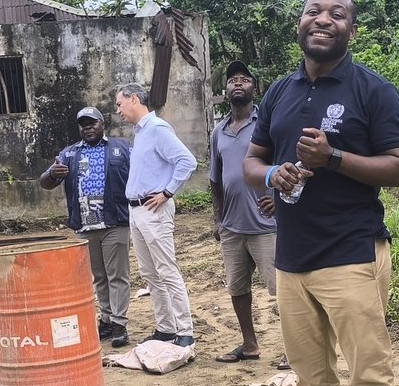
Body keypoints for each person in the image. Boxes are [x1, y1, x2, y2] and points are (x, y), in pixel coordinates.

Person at [244, 0, 399, 386]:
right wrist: (274, 174)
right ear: (299, 24)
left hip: (350, 252)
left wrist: (334, 157)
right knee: (311, 374)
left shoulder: (372, 90)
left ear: (351, 31)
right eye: (313, 11)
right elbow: (252, 160)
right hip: (292, 257)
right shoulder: (280, 90)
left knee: (368, 374)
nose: (323, 20)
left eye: (337, 14)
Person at [39, 107, 133, 348]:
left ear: (102, 124)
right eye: (83, 124)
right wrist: (53, 173)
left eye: (92, 123)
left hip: (115, 222)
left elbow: (140, 173)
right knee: (99, 277)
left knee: (117, 275)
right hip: (84, 226)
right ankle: (107, 319)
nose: (88, 127)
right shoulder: (69, 154)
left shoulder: (121, 148)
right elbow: (45, 182)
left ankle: (119, 324)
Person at [113, 83, 198, 347]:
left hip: (154, 209)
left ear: (134, 99)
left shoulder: (158, 128)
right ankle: (166, 328)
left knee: (166, 270)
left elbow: (187, 161)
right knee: (150, 273)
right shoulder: (141, 132)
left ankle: (185, 331)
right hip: (136, 210)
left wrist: (167, 192)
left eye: (119, 104)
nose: (118, 111)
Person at [209, 61, 278, 364]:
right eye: (232, 80)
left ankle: (294, 350)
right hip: (232, 226)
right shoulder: (219, 131)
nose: (237, 83)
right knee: (237, 288)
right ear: (225, 91)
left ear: (255, 88)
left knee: (283, 290)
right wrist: (218, 219)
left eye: (244, 79)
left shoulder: (268, 123)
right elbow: (215, 178)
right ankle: (249, 345)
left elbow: (286, 163)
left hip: (267, 225)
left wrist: (279, 199)